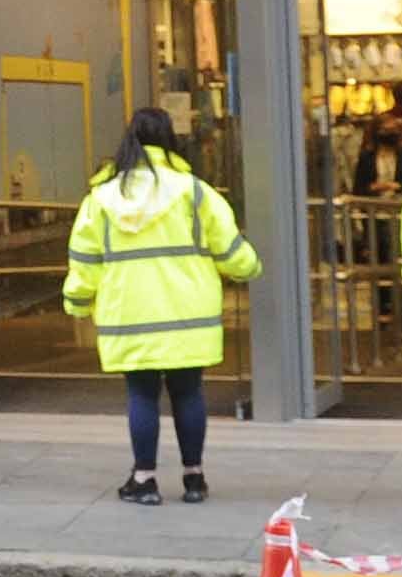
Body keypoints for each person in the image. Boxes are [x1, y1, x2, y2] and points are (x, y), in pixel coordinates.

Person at [61, 109, 261, 508]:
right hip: (189, 315)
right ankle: (194, 478)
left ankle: (145, 480)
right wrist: (249, 267)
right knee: (189, 393)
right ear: (172, 140)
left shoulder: (101, 198)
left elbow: (84, 261)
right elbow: (232, 250)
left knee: (142, 395)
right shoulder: (195, 192)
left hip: (130, 315)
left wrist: (77, 302)